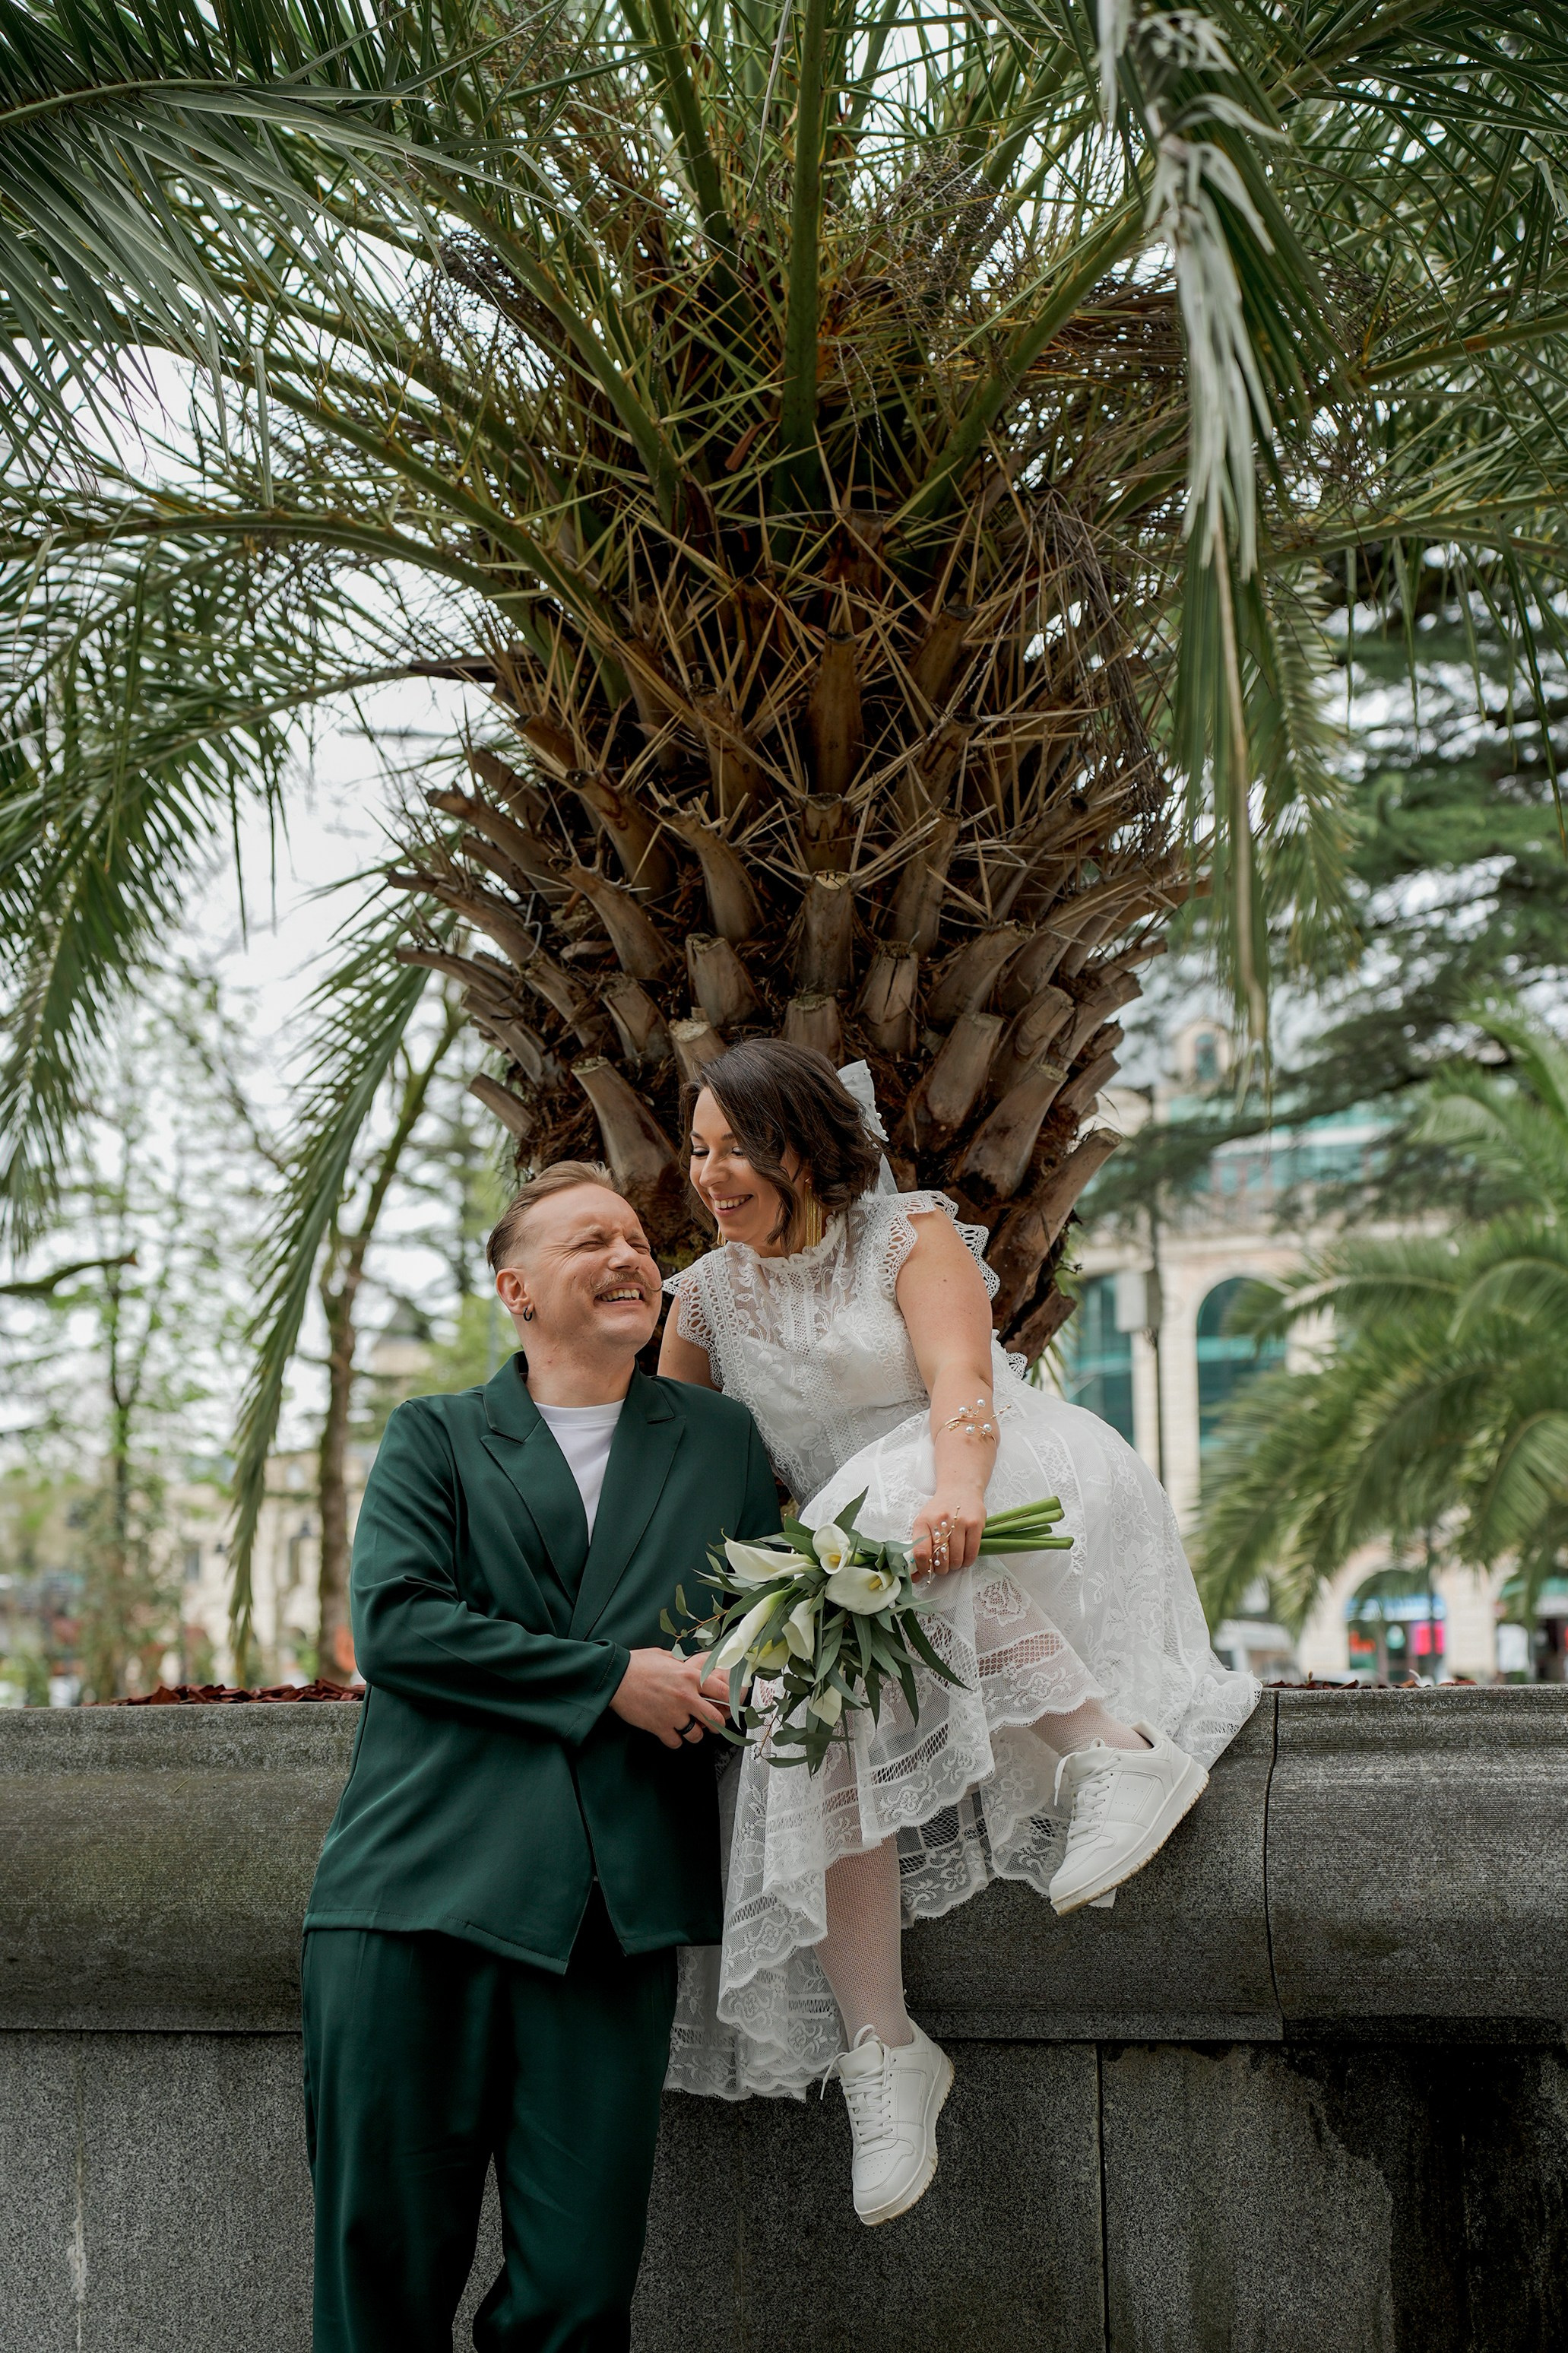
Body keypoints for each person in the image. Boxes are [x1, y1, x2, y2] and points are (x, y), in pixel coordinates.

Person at [658, 1042, 1259, 2224]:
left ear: (802, 1146)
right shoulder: (702, 1300)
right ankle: (885, 2050)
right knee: (795, 1691)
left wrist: (958, 1492)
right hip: (860, 1566)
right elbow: (680, 1471)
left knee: (879, 1525)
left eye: (736, 1147)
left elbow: (958, 1383)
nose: (710, 1173)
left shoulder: (909, 1235)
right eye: (697, 1149)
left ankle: (1113, 1751)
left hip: (995, 1483)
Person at [302, 1162, 779, 2352]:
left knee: (577, 2298)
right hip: (415, 1904)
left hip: (611, 1925)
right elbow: (398, 1627)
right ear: (515, 1290)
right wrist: (609, 1678)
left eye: (635, 1238)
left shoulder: (721, 1442)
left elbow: (769, 1631)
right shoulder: (439, 1436)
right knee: (381, 2288)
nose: (629, 1256)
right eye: (589, 1243)